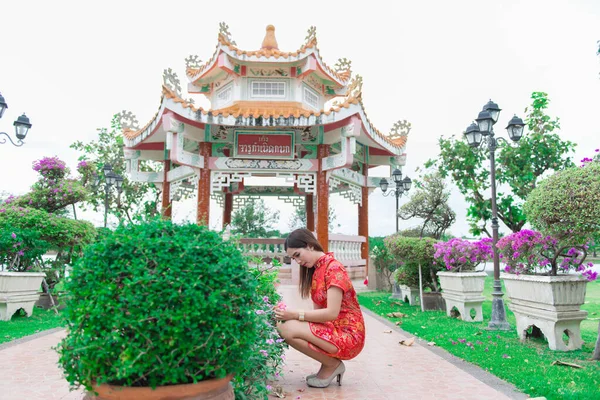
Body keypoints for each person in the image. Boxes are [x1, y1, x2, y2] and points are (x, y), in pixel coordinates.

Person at [275, 228, 365, 388]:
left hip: (349, 335)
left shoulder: (334, 269)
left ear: (310, 245)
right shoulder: (316, 270)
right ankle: (329, 364)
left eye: (297, 255)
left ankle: (331, 365)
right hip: (333, 329)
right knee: (285, 325)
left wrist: (294, 315)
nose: (297, 261)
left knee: (287, 328)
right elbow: (318, 315)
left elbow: (331, 313)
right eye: (292, 258)